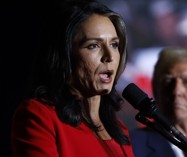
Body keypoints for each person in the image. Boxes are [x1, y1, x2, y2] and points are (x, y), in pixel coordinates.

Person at [11, 0, 134, 157]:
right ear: (65, 56)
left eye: (114, 45)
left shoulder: (119, 129)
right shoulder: (39, 117)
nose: (110, 57)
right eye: (93, 45)